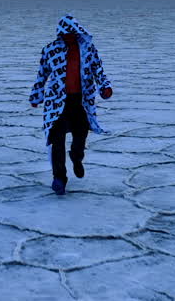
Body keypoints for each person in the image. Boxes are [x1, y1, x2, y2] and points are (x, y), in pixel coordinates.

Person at [29, 14, 114, 195]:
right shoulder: (51, 50)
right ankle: (59, 178)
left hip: (81, 102)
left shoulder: (88, 49)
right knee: (56, 139)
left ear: (77, 31)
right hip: (57, 102)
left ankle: (76, 157)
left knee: (80, 135)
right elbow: (42, 74)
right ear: (60, 33)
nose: (68, 36)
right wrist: (36, 96)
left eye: (72, 33)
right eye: (65, 33)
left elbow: (98, 70)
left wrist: (105, 87)